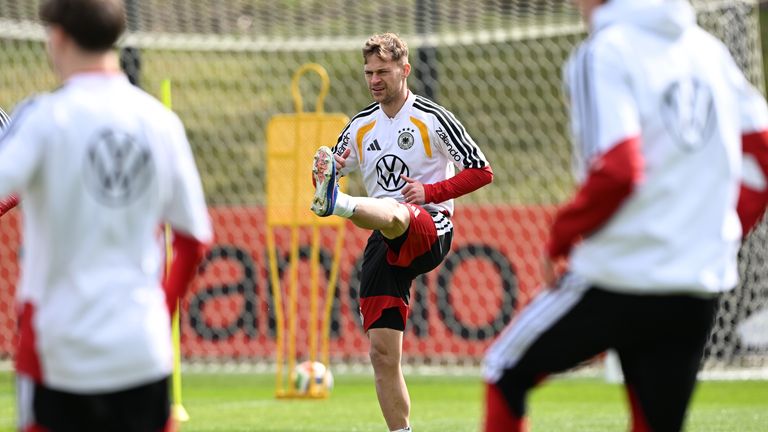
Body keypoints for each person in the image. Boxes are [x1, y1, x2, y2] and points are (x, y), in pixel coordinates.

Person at [482, 0, 768, 431]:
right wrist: (722, 234)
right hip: (695, 285)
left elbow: (619, 169)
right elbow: (763, 156)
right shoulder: (710, 52)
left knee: (504, 371)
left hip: (616, 278)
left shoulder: (605, 51)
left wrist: (562, 235)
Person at [3, 1, 212, 431]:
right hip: (141, 348)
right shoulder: (161, 122)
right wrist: (160, 309)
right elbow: (193, 241)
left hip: (58, 352)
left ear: (58, 37)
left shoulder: (42, 118)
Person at [311, 33, 493, 432]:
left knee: (396, 210)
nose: (374, 80)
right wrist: (327, 169)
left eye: (382, 71)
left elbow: (482, 170)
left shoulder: (432, 117)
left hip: (431, 226)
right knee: (381, 353)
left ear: (404, 70)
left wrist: (431, 191)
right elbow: (332, 166)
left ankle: (339, 205)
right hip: (386, 238)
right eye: (368, 73)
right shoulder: (360, 126)